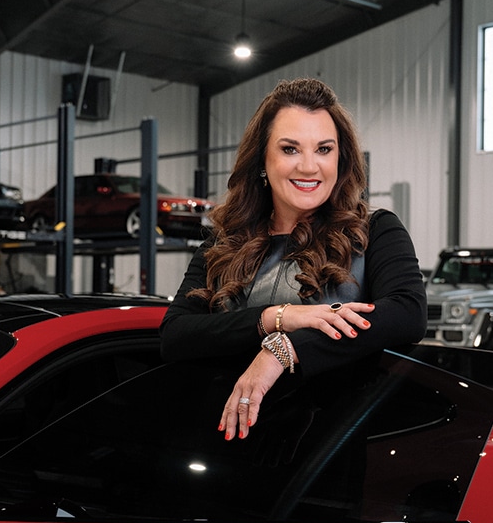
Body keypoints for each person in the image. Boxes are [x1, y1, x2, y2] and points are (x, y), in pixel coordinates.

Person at [160, 78, 426, 440]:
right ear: (262, 161)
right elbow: (175, 336)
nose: (309, 166)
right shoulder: (224, 243)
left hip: (326, 455)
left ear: (340, 158)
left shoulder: (375, 230)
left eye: (323, 149)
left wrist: (283, 349)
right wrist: (277, 318)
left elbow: (407, 314)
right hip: (219, 446)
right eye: (290, 149)